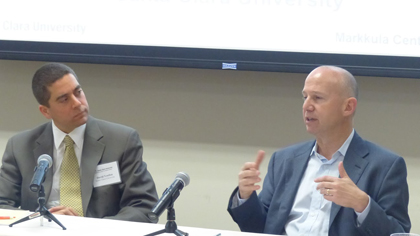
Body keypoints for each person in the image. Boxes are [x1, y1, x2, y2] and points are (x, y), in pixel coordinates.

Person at [227, 66, 411, 235]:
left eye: (317, 97)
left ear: (348, 107)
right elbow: (259, 228)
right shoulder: (284, 160)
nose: (306, 106)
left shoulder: (385, 166)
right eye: (304, 96)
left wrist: (362, 204)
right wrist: (245, 195)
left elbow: (397, 232)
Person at [0, 63, 159, 222]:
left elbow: (144, 207)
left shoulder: (122, 141)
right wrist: (41, 220)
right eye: (64, 99)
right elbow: (2, 205)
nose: (77, 103)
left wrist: (90, 229)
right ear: (46, 111)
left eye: (78, 92)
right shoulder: (20, 146)